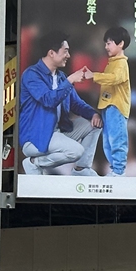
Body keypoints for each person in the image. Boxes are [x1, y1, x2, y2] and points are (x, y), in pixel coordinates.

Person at [18, 31, 102, 176]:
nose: (68, 56)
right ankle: (34, 163)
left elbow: (77, 104)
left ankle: (81, 170)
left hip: (58, 133)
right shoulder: (31, 75)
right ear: (51, 53)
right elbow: (48, 100)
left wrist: (94, 114)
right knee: (76, 151)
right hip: (36, 137)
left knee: (95, 124)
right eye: (65, 51)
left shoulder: (61, 77)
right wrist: (70, 81)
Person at [84, 26, 131, 177]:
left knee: (117, 139)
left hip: (116, 106)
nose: (106, 47)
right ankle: (115, 170)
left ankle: (119, 171)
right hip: (107, 106)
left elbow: (115, 79)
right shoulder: (112, 62)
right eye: (106, 43)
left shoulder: (122, 63)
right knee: (108, 142)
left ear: (121, 44)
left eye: (109, 43)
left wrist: (94, 75)